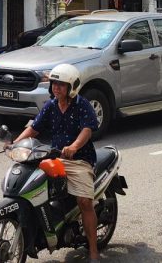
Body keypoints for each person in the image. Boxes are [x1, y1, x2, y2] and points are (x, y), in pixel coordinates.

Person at [6, 65, 102, 261]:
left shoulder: (82, 105)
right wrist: (15, 143)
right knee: (32, 187)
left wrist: (74, 146)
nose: (56, 88)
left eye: (61, 84)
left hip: (79, 160)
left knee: (84, 202)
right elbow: (34, 128)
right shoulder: (51, 105)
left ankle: (93, 250)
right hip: (54, 158)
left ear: (72, 87)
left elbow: (87, 130)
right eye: (54, 83)